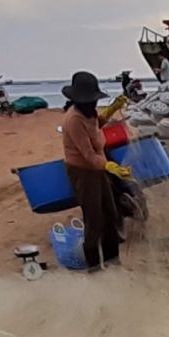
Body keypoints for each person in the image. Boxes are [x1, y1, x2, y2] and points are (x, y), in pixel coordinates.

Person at [60, 70, 121, 271]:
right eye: (90, 101)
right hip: (83, 172)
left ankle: (113, 262)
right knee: (94, 219)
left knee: (111, 214)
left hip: (98, 168)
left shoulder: (89, 113)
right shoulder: (74, 120)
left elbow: (95, 126)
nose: (93, 105)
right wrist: (110, 166)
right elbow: (88, 155)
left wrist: (111, 111)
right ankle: (94, 267)